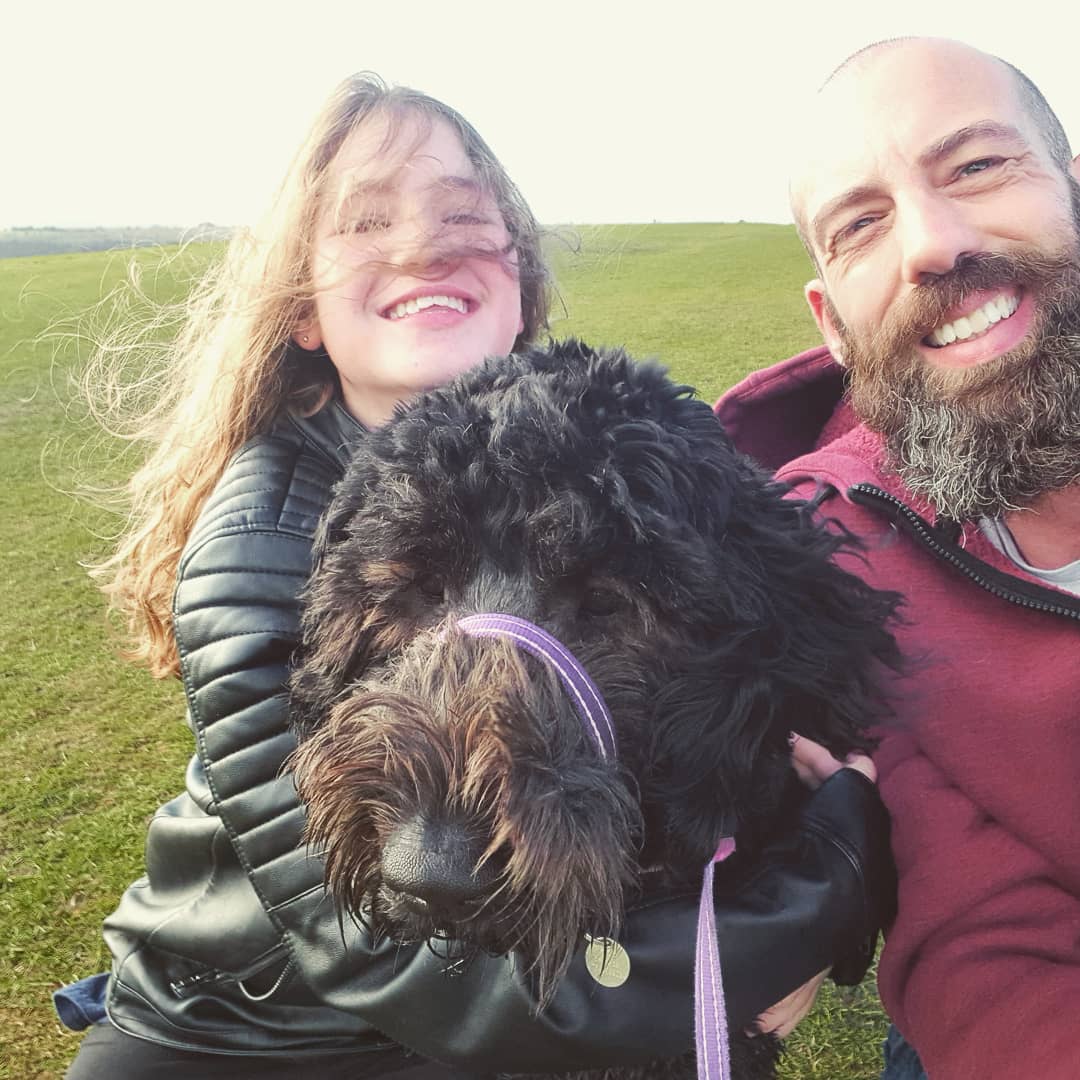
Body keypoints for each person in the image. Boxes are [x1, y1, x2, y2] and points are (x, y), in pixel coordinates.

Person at [59, 73, 894, 1078]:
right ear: (303, 309)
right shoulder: (255, 541)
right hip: (248, 1033)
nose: (421, 245)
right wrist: (812, 894)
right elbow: (412, 960)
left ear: (518, 279)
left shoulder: (573, 452)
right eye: (366, 223)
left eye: (462, 215)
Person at [716, 36, 1080, 1080]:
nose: (931, 242)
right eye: (861, 224)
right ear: (831, 325)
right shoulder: (826, 553)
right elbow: (983, 948)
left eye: (975, 166)